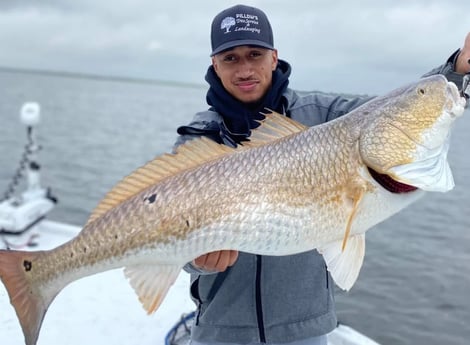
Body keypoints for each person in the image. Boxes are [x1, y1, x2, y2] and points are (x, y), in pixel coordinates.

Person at [175, 4, 470, 345]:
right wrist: (197, 261)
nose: (244, 69)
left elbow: (394, 109)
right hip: (220, 329)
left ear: (274, 57)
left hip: (305, 330)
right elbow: (172, 239)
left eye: (254, 54)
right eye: (231, 58)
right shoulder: (198, 137)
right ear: (215, 64)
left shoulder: (324, 114)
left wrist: (458, 70)